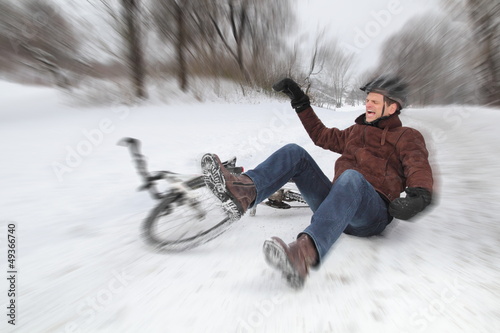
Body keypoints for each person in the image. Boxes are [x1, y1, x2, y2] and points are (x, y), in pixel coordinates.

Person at [201, 76, 433, 289]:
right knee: (295, 152)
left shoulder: (407, 136)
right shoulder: (356, 131)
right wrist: (301, 102)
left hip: (371, 215)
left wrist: (420, 194)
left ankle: (302, 255)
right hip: (337, 203)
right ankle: (243, 191)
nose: (367, 105)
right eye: (367, 100)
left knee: (351, 178)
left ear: (391, 107)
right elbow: (321, 136)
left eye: (374, 100)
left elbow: (417, 164)